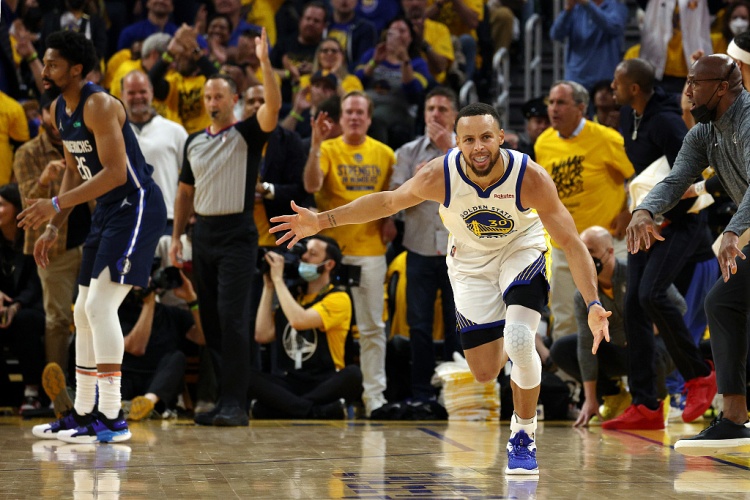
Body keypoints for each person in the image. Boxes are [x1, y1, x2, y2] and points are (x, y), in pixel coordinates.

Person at [272, 102, 611, 474]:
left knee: (518, 340)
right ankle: (512, 338)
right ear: (457, 142)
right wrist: (321, 221)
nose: (478, 147)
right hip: (470, 262)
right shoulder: (440, 175)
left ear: (501, 137)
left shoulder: (529, 177)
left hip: (521, 249)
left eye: (486, 137)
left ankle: (523, 435)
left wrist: (593, 303)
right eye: (469, 139)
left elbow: (572, 243)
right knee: (484, 372)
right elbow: (387, 202)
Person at [23, 30, 167, 444]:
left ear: (76, 70)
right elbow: (73, 168)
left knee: (101, 307)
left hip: (136, 205)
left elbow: (117, 173)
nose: (45, 70)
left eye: (53, 64)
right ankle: (83, 413)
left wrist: (53, 204)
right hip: (106, 211)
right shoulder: (59, 107)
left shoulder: (100, 105)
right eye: (44, 63)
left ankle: (113, 416)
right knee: (83, 310)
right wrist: (55, 225)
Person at [626, 54, 750, 455]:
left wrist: (732, 231)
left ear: (723, 87)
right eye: (688, 83)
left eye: (696, 83)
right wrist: (645, 210)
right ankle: (734, 418)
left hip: (742, 228)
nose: (688, 91)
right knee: (722, 303)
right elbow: (677, 179)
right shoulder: (704, 133)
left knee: (724, 302)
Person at [170, 27, 281, 427]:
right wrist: (177, 236)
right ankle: (222, 399)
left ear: (234, 100)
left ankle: (236, 402)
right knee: (213, 321)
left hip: (237, 235)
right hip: (203, 234)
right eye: (208, 97)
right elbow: (184, 193)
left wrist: (264, 63)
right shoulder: (193, 142)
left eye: (219, 96)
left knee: (233, 318)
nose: (212, 102)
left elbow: (273, 106)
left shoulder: (247, 133)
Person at [607, 57, 717, 430]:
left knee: (651, 295)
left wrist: (660, 214)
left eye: (617, 82)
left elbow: (690, 173)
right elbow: (643, 174)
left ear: (634, 88)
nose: (611, 88)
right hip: (647, 219)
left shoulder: (667, 122)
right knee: (633, 306)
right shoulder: (629, 117)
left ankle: (700, 374)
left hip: (681, 221)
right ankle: (646, 405)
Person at [303, 90, 396, 418]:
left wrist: (390, 222)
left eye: (360, 112)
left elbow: (392, 201)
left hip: (370, 252)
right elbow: (311, 186)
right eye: (348, 112)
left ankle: (375, 397)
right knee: (329, 328)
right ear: (341, 118)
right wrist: (315, 145)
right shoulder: (327, 149)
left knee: (372, 328)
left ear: (369, 118)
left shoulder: (386, 155)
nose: (354, 117)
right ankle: (332, 395)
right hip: (330, 254)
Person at [550, 226, 680, 427]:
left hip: (658, 348)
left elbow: (679, 306)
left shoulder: (637, 272)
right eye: (583, 252)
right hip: (620, 351)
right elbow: (586, 345)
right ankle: (613, 396)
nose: (587, 258)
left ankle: (657, 401)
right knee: (562, 349)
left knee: (649, 351)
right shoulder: (583, 295)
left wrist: (644, 332)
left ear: (610, 251)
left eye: (591, 251)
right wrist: (590, 399)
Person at [534, 80, 634, 341]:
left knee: (619, 315)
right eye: (551, 102)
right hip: (564, 245)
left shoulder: (606, 138)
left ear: (581, 108)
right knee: (565, 318)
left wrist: (632, 210)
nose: (553, 109)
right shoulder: (543, 143)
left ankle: (623, 366)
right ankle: (570, 369)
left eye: (561, 102)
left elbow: (640, 175)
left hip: (607, 243)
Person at [12, 96, 91, 393]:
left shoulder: (85, 144)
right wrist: (45, 180)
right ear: (43, 116)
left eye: (65, 113)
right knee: (58, 319)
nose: (59, 120)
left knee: (95, 316)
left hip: (93, 240)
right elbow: (26, 205)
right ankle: (55, 392)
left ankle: (91, 386)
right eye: (53, 113)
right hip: (54, 246)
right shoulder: (28, 152)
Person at [390, 86, 461, 403]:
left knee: (458, 324)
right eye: (431, 108)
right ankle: (420, 393)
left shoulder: (468, 151)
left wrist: (449, 150)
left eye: (443, 109)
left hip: (458, 251)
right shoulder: (407, 153)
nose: (436, 115)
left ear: (454, 115)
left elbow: (479, 189)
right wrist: (417, 183)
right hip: (418, 249)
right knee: (418, 325)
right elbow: (395, 202)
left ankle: (455, 392)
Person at [251, 235, 363, 418]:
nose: (304, 257)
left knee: (353, 374)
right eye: (304, 253)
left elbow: (299, 321)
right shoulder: (293, 295)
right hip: (291, 380)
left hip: (324, 381)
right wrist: (269, 287)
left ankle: (286, 408)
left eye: (313, 254)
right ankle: (315, 411)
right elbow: (262, 335)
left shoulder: (339, 297)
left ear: (329, 265)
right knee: (244, 375)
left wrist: (279, 281)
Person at [121, 267, 206, 421]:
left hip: (157, 390)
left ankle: (146, 403)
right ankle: (129, 407)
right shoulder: (121, 312)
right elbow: (137, 348)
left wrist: (192, 300)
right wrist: (149, 303)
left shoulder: (171, 314)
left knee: (177, 357)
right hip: (126, 382)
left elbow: (202, 338)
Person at [122, 69, 188, 236]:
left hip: (167, 220)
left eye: (143, 91)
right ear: (122, 95)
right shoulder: (113, 134)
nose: (138, 97)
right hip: (125, 222)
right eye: (131, 93)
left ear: (151, 92)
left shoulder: (175, 131)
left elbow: (194, 176)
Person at [0, 183, 46, 414]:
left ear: (16, 209)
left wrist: (16, 306)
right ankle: (5, 393)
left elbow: (36, 284)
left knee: (24, 321)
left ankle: (32, 392)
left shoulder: (32, 238)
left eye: (1, 205)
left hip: (30, 306)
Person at [549, 0, 628, 91]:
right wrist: (567, 10)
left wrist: (587, 4)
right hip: (576, 79)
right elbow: (555, 34)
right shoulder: (575, 8)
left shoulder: (616, 7)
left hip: (604, 81)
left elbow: (614, 27)